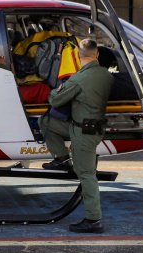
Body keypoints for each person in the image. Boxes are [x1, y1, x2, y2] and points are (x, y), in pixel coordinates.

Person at [40, 39, 113, 233]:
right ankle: (62, 159)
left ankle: (93, 219)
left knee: (87, 174)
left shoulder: (77, 79)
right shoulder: (107, 74)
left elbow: (55, 99)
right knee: (46, 122)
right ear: (97, 55)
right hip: (91, 127)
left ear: (77, 57)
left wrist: (56, 89)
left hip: (83, 132)